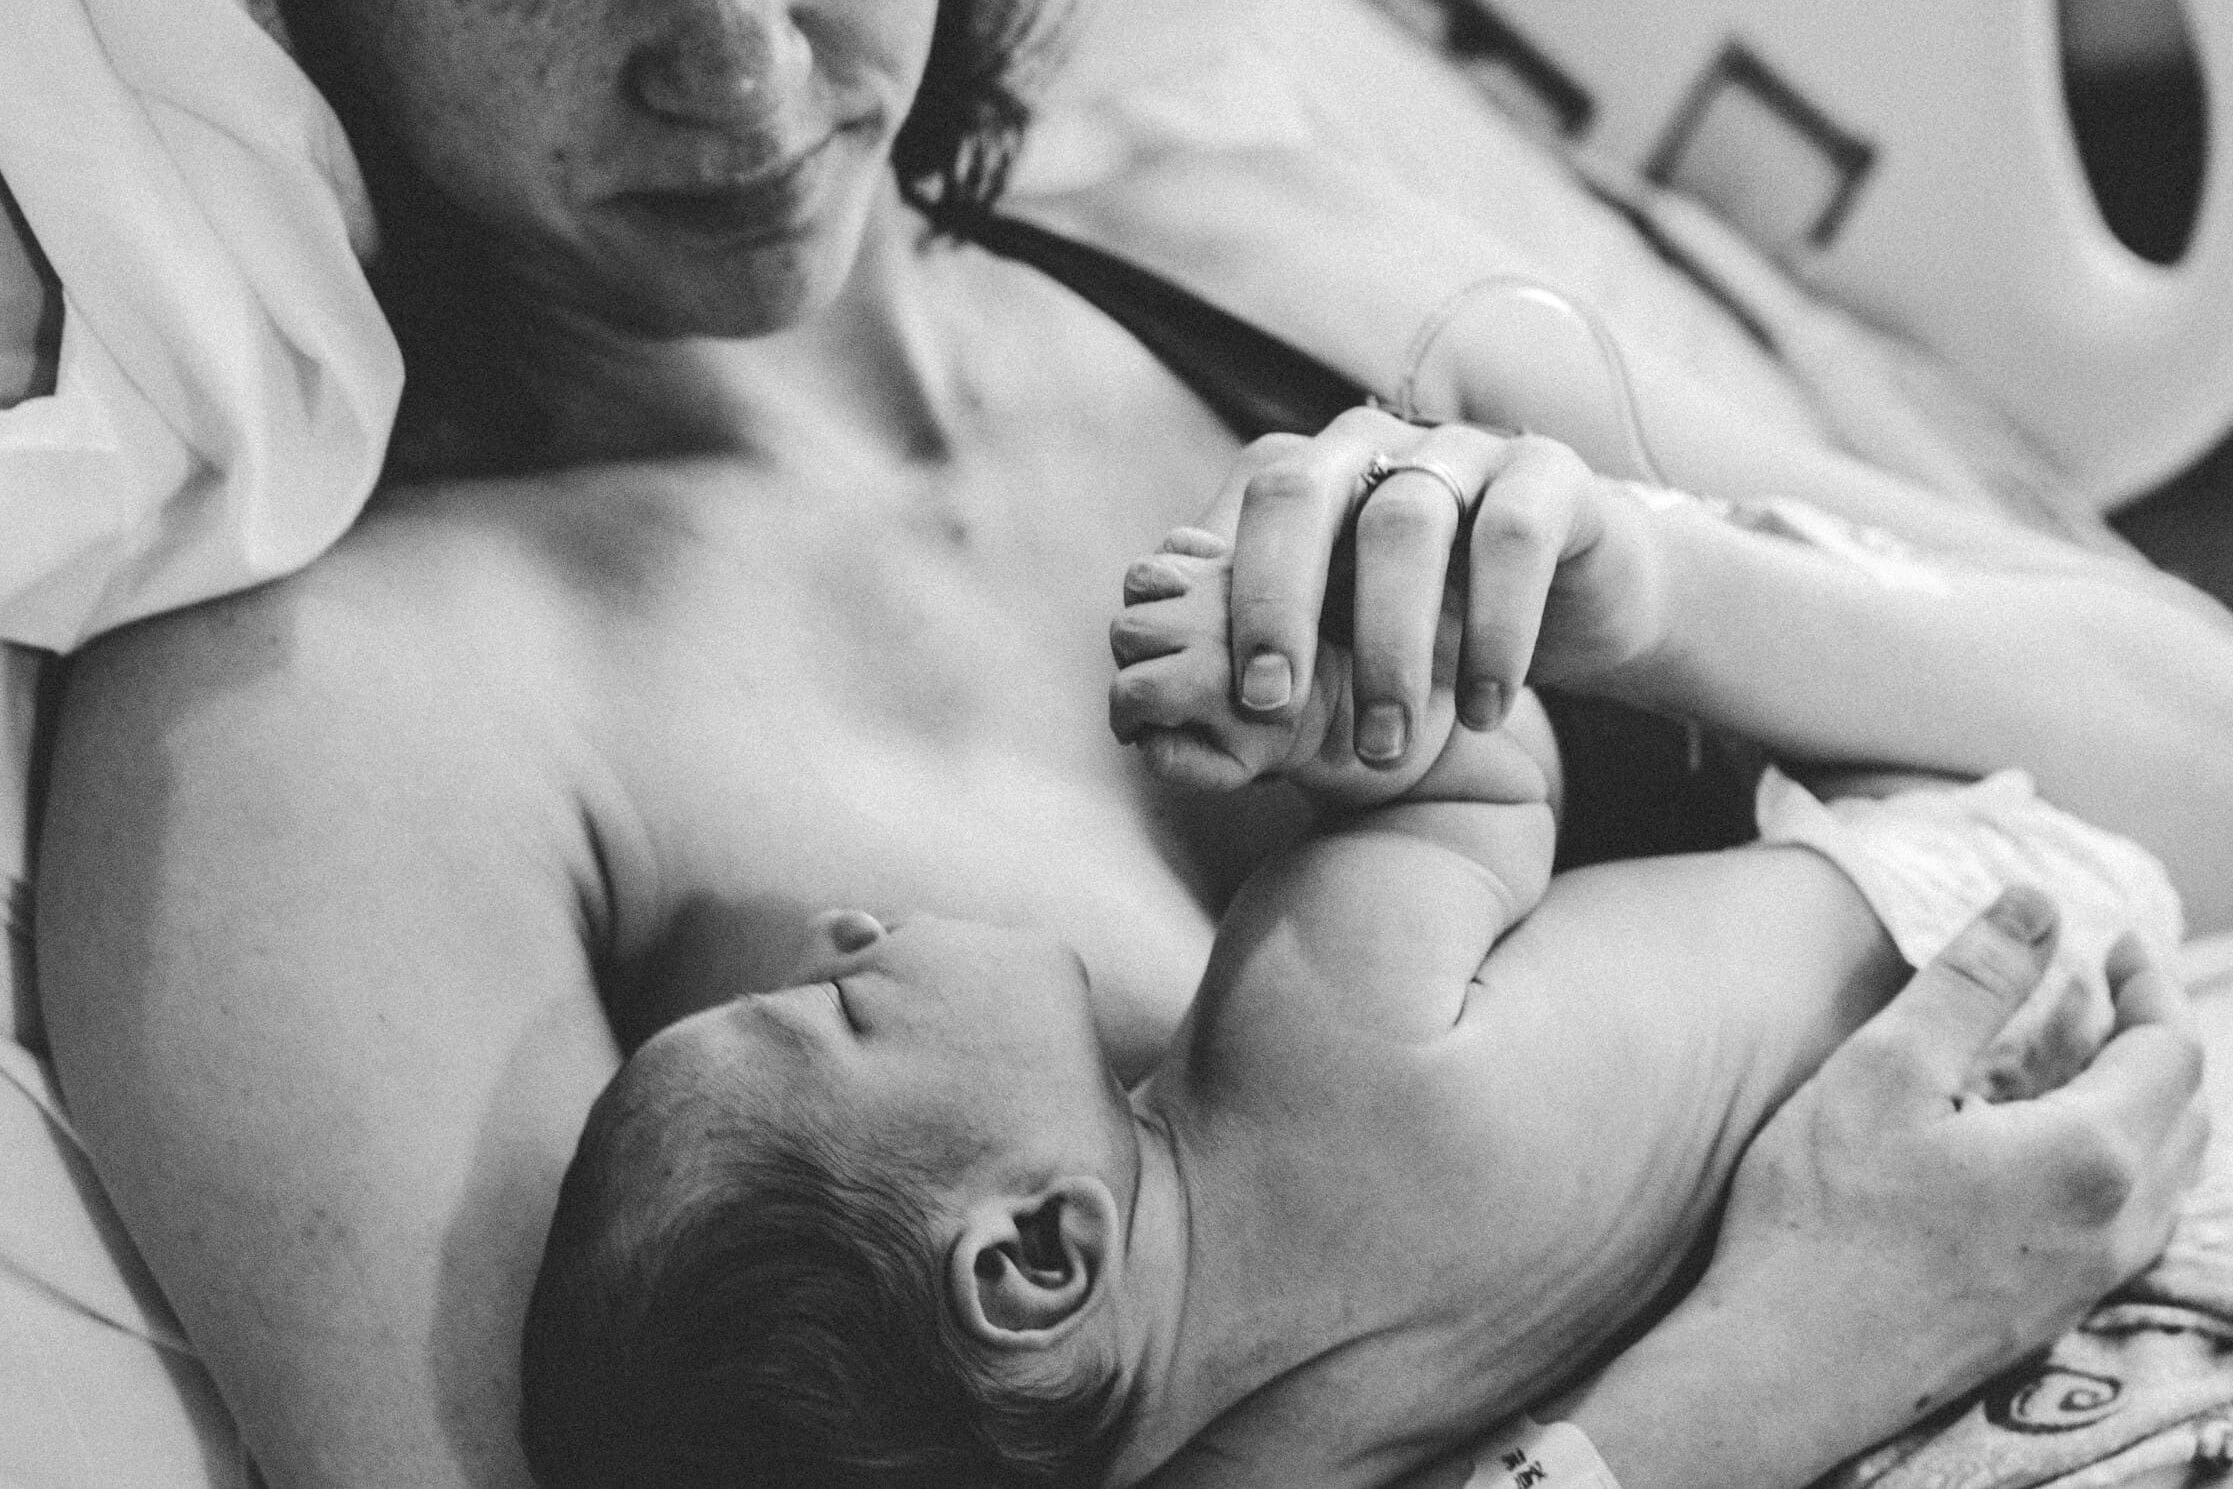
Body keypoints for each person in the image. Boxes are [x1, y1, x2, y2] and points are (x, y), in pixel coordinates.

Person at [28, 1, 2227, 1486]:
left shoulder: (1219, 246)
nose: (739, 62)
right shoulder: (306, 729)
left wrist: (1671, 591)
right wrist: (1743, 1387)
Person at [515, 447, 2200, 1489]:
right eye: (831, 1006)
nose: (844, 929)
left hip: (1987, 1106)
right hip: (1968, 890)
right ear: (1033, 1253)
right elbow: (1491, 776)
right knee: (1720, 521)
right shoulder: (1289, 1037)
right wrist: (1322, 710)